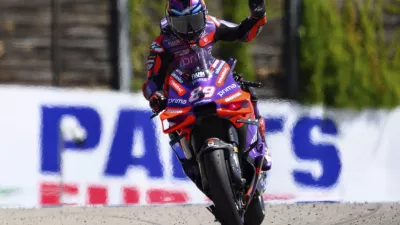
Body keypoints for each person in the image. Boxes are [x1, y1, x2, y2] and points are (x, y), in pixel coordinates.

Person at [142, 0, 272, 175]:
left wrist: (257, 16)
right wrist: (155, 96)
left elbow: (243, 33)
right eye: (181, 23)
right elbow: (151, 81)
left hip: (212, 83)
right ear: (171, 21)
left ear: (203, 14)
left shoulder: (211, 25)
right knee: (173, 132)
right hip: (181, 97)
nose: (189, 29)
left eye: (194, 21)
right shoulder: (162, 44)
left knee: (247, 89)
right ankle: (193, 165)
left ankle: (260, 144)